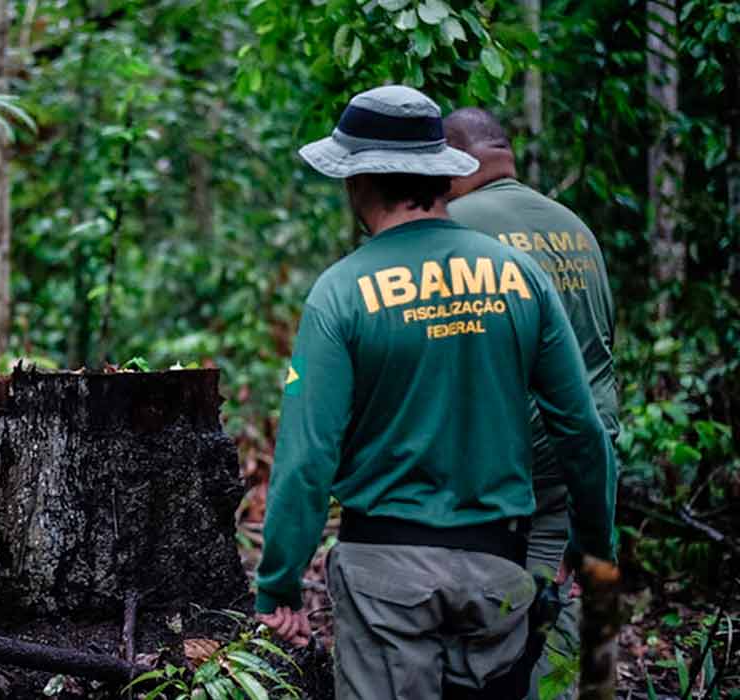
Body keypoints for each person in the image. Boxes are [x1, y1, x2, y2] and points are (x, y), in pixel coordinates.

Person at [253, 85, 617, 700]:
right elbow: (580, 428)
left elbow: (307, 457)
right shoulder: (519, 276)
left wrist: (279, 584)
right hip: (499, 571)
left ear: (357, 183)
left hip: (383, 581)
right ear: (441, 179)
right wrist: (595, 545)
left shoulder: (341, 293)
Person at [444, 107, 619, 700]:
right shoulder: (575, 227)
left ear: (454, 162)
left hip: (499, 459)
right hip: (580, 451)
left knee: (480, 622)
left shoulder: (454, 227)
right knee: (559, 595)